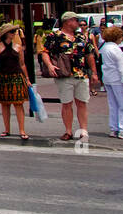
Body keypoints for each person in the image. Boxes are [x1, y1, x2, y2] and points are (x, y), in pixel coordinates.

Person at [38, 11, 98, 142]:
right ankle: (68, 131)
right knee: (66, 103)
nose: (79, 23)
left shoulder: (82, 37)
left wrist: (94, 72)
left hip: (81, 74)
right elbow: (45, 52)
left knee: (82, 102)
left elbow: (89, 55)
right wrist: (49, 65)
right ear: (68, 21)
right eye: (76, 20)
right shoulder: (55, 36)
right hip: (64, 74)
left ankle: (83, 130)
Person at [0, 22, 31, 142]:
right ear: (6, 34)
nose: (14, 34)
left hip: (16, 76)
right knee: (5, 104)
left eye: (15, 32)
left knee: (19, 103)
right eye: (12, 32)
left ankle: (22, 130)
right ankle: (7, 129)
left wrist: (27, 78)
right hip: (3, 77)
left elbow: (22, 64)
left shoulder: (18, 47)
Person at [99, 26, 123, 139]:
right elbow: (122, 67)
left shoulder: (104, 48)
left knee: (113, 105)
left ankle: (114, 128)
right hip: (118, 79)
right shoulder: (116, 49)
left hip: (108, 79)